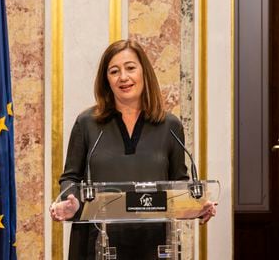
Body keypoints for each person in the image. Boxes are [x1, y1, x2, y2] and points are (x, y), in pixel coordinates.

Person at [49, 39, 217, 259]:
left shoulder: (170, 126)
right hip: (97, 242)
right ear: (106, 80)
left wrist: (196, 205)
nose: (123, 77)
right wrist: (70, 202)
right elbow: (71, 177)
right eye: (114, 71)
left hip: (154, 244)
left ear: (144, 73)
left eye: (130, 68)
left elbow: (179, 183)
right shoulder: (87, 123)